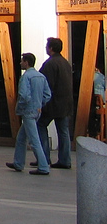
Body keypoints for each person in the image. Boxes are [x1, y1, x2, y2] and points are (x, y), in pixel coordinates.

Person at [6, 52, 52, 175]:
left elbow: (24, 95)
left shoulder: (26, 77)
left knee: (34, 140)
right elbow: (47, 95)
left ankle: (43, 166)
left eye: (22, 61)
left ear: (26, 62)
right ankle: (18, 162)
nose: (20, 63)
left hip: (28, 111)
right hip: (37, 110)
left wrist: (20, 108)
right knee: (21, 138)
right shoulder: (41, 76)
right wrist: (39, 104)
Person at [38, 37, 73, 169]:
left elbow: (46, 85)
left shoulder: (50, 64)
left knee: (40, 125)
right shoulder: (65, 63)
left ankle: (44, 157)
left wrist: (41, 102)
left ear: (50, 48)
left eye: (47, 46)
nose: (46, 48)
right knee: (63, 131)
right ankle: (65, 160)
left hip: (53, 103)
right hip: (65, 103)